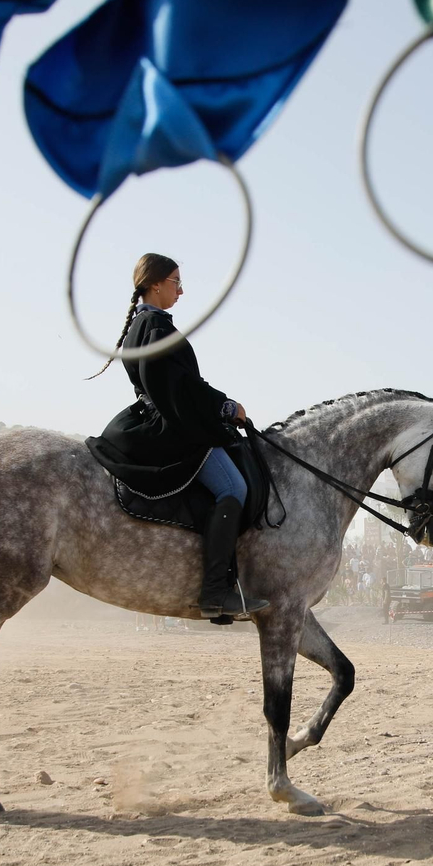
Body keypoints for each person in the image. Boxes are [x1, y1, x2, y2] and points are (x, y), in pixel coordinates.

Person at [86, 253, 267, 619]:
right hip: (172, 425)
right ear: (155, 284)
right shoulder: (156, 327)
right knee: (234, 488)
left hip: (163, 416)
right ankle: (216, 591)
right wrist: (226, 407)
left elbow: (181, 385)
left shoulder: (145, 324)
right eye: (176, 283)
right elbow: (181, 387)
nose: (181, 291)